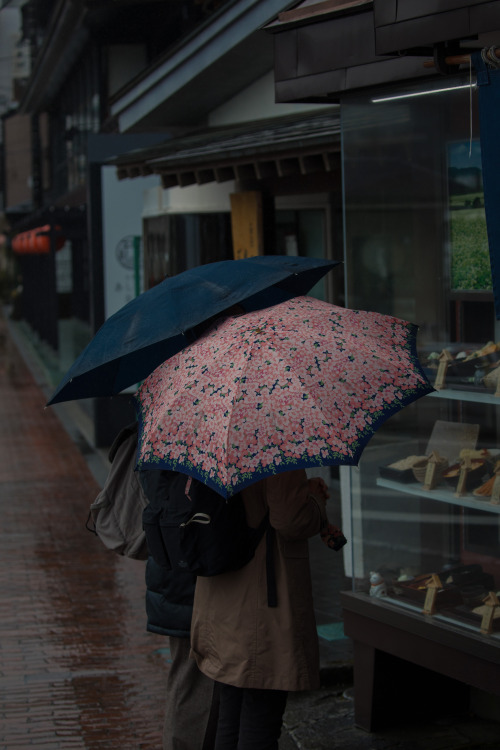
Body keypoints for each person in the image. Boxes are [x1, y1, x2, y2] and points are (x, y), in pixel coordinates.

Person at [190, 469, 329, 750]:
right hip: (263, 601)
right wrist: (315, 498)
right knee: (260, 715)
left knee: (230, 711)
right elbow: (291, 519)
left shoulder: (211, 443)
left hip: (221, 592)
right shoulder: (274, 440)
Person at [139, 469, 219, 750]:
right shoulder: (186, 453)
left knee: (187, 677)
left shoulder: (161, 441)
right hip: (188, 579)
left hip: (174, 576)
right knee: (194, 682)